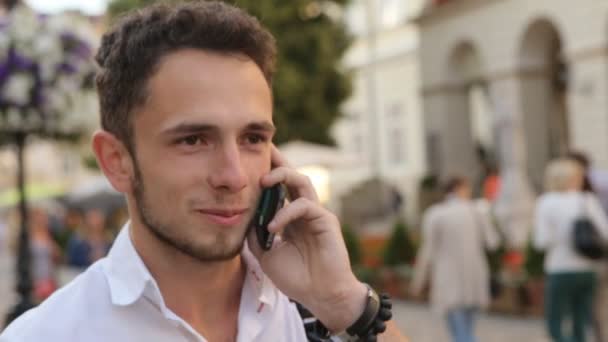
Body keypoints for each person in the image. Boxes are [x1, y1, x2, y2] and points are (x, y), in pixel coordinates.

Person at [0, 2, 406, 341]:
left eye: (252, 139)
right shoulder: (47, 334)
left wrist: (343, 301)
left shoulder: (313, 313)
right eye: (193, 140)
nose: (234, 176)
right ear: (116, 161)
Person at [411, 176, 499, 342]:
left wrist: (418, 280)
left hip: (448, 278)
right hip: (475, 275)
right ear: (461, 188)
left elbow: (427, 251)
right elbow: (493, 242)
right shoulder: (477, 211)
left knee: (459, 332)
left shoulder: (435, 214)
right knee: (467, 330)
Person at [534, 158, 608, 342]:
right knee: (580, 323)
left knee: (555, 324)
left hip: (560, 267)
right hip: (588, 268)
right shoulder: (587, 200)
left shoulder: (546, 202)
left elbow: (541, 241)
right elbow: (605, 233)